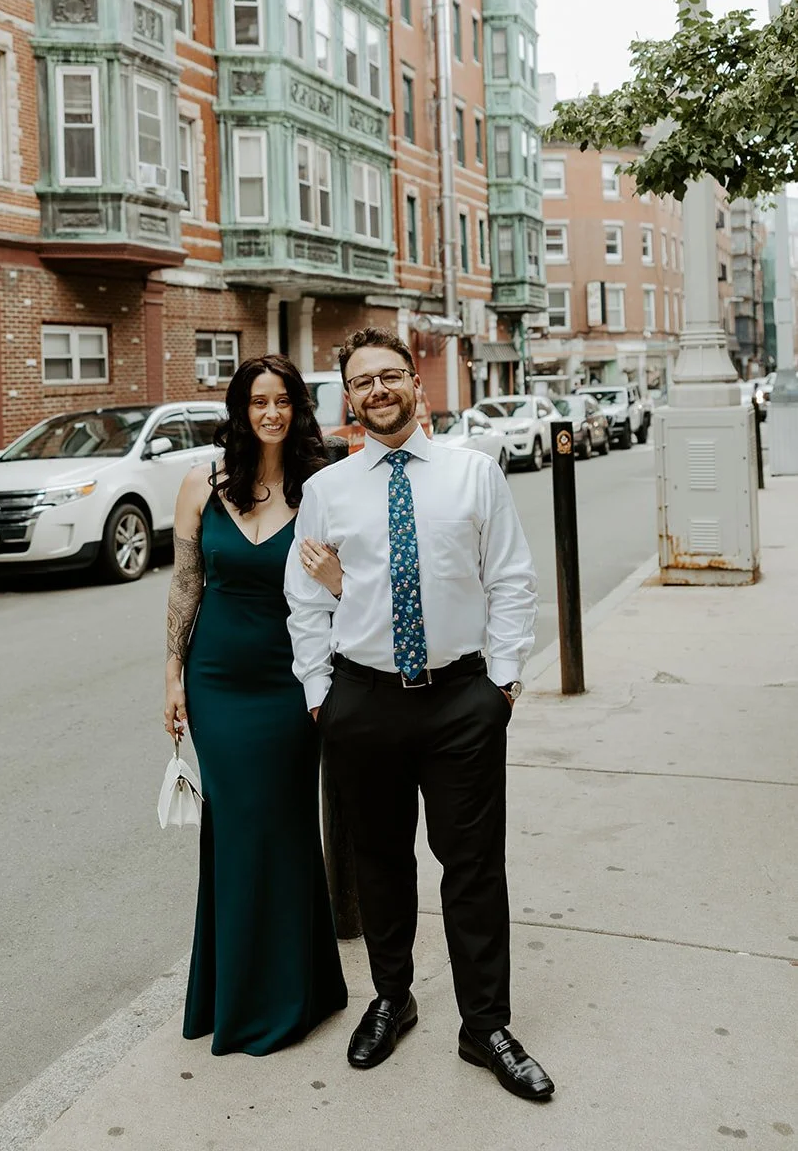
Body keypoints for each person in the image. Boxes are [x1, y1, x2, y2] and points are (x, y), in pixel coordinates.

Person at [285, 327, 554, 1102]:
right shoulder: (328, 492)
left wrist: (500, 686)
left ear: (416, 387)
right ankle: (391, 998)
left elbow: (511, 580)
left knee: (471, 869)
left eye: (390, 376)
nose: (378, 390)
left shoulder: (474, 474)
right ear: (349, 400)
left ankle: (485, 1027)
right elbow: (304, 601)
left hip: (460, 700)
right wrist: (318, 696)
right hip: (362, 702)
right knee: (378, 865)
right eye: (362, 380)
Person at [164, 353, 348, 1055]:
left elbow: (354, 585)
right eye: (255, 401)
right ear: (239, 410)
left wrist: (336, 581)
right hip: (217, 679)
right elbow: (186, 585)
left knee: (286, 825)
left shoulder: (322, 488)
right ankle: (234, 992)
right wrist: (173, 676)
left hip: (293, 678)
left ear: (296, 408)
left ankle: (298, 991)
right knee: (236, 829)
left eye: (281, 401)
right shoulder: (199, 484)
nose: (268, 412)